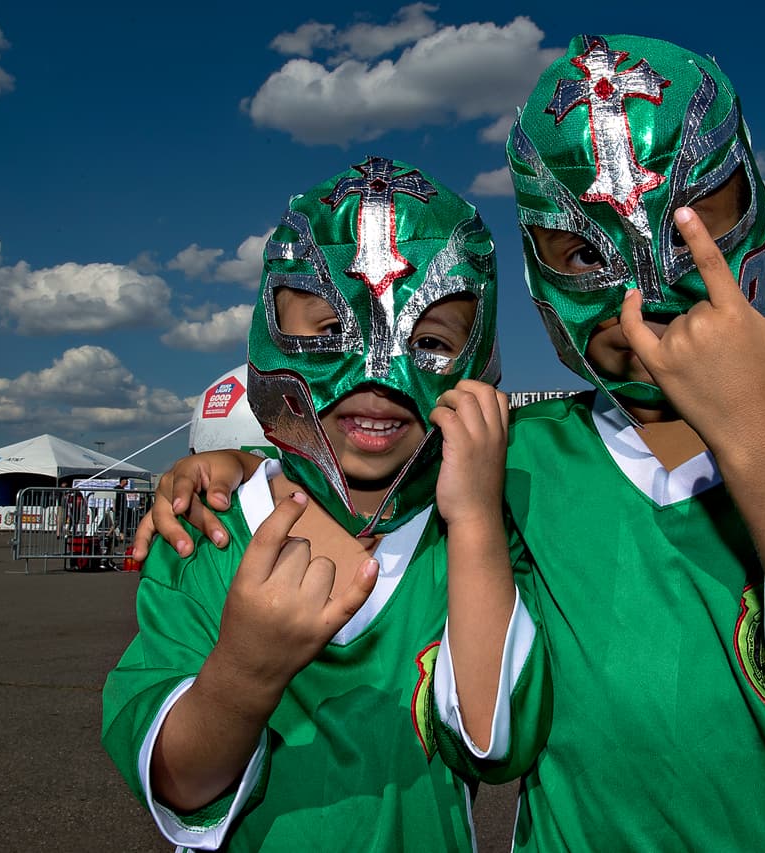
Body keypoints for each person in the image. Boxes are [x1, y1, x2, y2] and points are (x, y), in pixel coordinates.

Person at [142, 36, 765, 851]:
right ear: (535, 268)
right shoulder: (526, 456)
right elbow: (388, 489)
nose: (645, 302)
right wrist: (242, 463)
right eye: (587, 253)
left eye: (697, 223)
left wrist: (755, 428)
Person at [102, 157, 510, 851]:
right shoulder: (207, 533)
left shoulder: (476, 534)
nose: (377, 374)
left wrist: (476, 522)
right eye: (327, 333)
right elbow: (180, 780)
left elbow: (496, 738)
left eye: (430, 341)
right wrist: (245, 671)